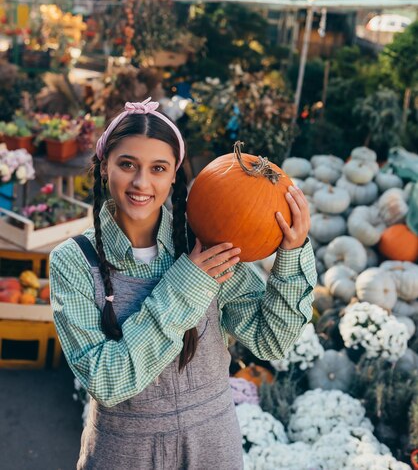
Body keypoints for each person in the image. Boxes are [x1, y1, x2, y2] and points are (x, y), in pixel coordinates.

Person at [50, 98, 317, 470]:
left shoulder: (205, 242)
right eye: (127, 164)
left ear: (174, 174)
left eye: (157, 168)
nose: (141, 182)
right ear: (104, 166)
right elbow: (107, 381)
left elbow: (270, 340)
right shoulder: (74, 261)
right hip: (124, 452)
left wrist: (291, 253)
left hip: (212, 445)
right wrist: (186, 284)